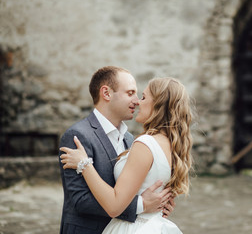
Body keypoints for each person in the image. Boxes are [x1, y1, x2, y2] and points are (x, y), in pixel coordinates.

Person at [60, 76, 193, 233]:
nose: (137, 101)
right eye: (131, 93)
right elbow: (80, 199)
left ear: (158, 104)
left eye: (142, 97)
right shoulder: (78, 135)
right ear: (106, 93)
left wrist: (84, 164)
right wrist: (143, 204)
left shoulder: (140, 142)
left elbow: (116, 204)